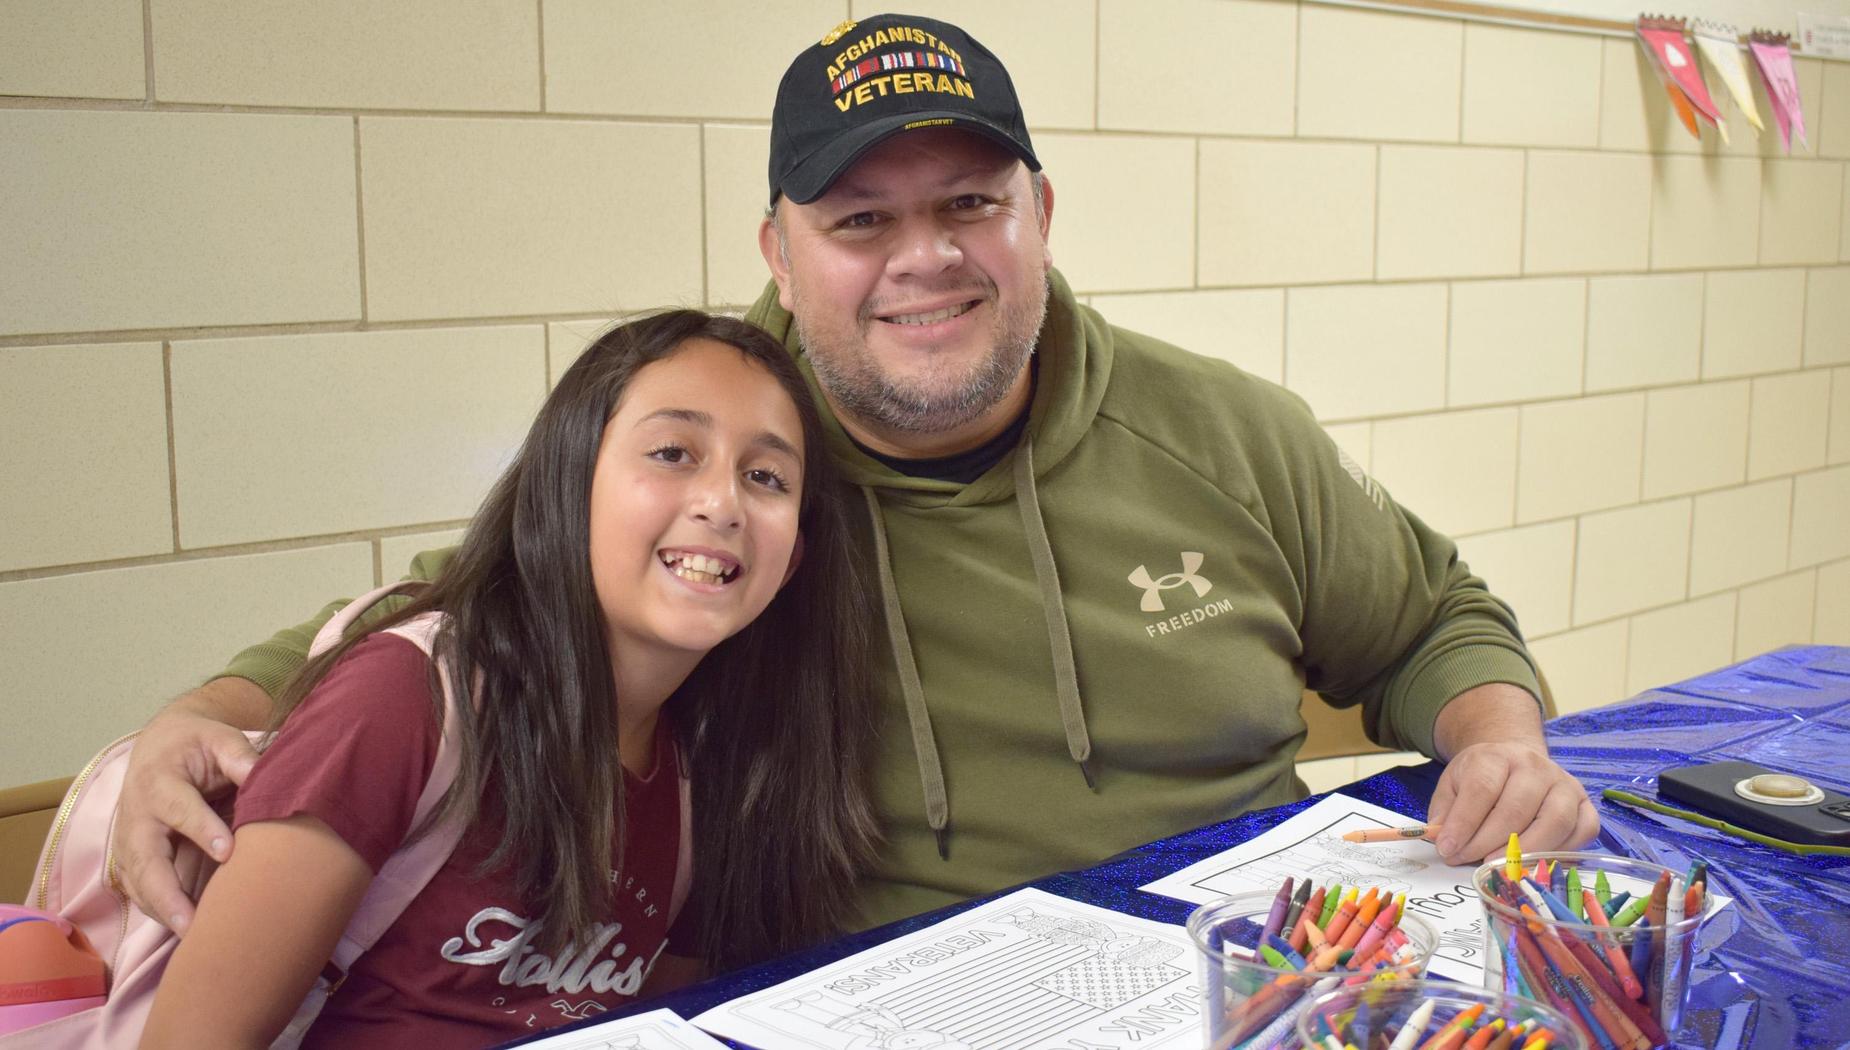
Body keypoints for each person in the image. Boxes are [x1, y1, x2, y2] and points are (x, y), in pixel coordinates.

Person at [113, 13, 1597, 941]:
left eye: (968, 202)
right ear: (778, 249)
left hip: (1255, 970)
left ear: (1040, 216)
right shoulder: (717, 458)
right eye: (858, 219)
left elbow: (1427, 623)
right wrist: (205, 716)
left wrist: (1499, 737)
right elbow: (469, 615)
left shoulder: (1225, 432)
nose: (925, 257)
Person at [139, 311, 881, 1047]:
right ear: (566, 479)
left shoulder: (712, 774)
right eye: (672, 452)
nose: (722, 503)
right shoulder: (406, 700)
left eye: (765, 476)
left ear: (793, 562)